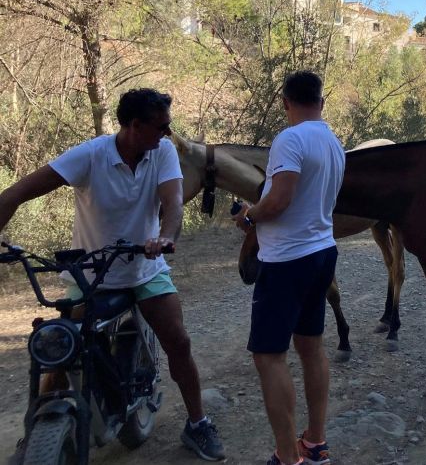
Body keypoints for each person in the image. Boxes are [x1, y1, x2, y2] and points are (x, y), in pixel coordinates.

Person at [0, 89, 225, 461]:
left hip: (144, 268)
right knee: (60, 349)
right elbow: (15, 193)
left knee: (178, 342)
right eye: (161, 127)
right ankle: (36, 433)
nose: (168, 134)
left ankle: (198, 422)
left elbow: (173, 204)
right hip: (90, 276)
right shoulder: (90, 156)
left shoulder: (162, 152)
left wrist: (165, 238)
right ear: (135, 126)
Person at [233, 71, 344, 465]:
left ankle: (286, 456)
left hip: (287, 260)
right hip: (322, 251)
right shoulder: (333, 142)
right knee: (311, 347)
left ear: (285, 102)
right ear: (321, 101)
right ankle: (315, 443)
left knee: (268, 355)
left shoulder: (290, 138)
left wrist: (250, 216)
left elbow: (279, 199)